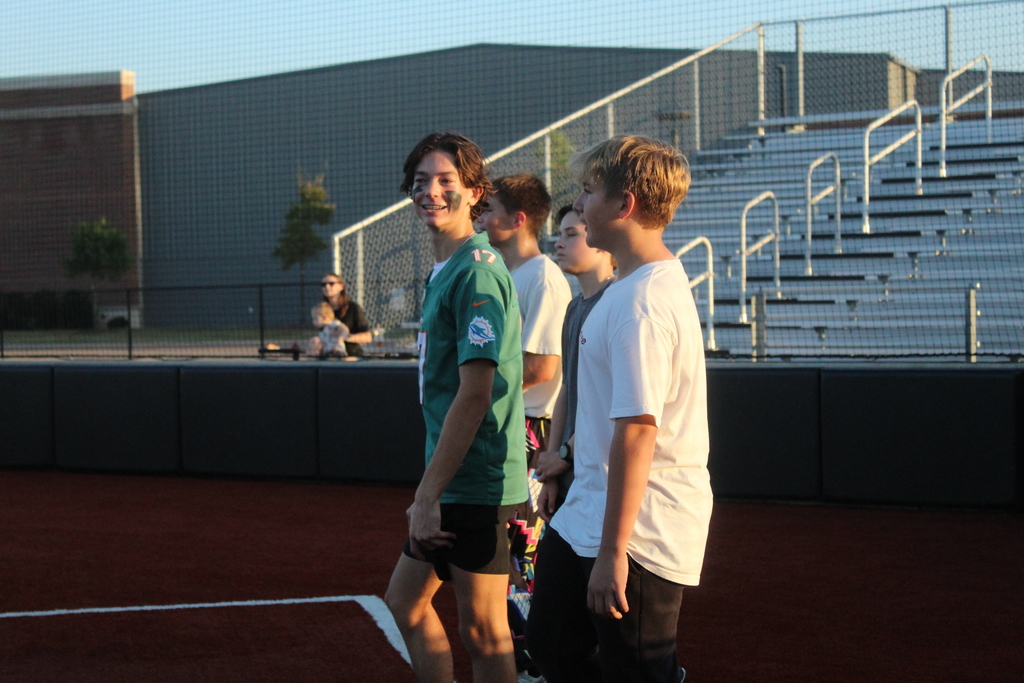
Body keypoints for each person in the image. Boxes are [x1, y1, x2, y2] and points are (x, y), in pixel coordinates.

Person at [525, 136, 713, 683]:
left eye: (587, 192)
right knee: (552, 642)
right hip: (592, 510)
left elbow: (636, 433)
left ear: (624, 205)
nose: (578, 205)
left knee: (637, 668)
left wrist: (613, 554)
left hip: (639, 528)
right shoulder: (626, 290)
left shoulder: (643, 304)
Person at [384, 131, 526, 683]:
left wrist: (428, 494)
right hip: (453, 481)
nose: (431, 192)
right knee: (406, 603)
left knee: (485, 633)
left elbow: (475, 392)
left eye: (446, 181)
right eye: (421, 183)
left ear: (474, 190)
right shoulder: (446, 269)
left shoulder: (477, 270)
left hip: (475, 481)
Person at [478, 174, 571, 464]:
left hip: (529, 426)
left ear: (518, 220)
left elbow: (542, 367)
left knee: (518, 511)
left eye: (488, 209)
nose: (479, 217)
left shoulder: (543, 278)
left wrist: (473, 396)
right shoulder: (506, 274)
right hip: (508, 416)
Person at [533, 206, 616, 514]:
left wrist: (563, 455)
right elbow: (567, 390)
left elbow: (611, 402)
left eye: (571, 235)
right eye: (560, 234)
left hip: (601, 476)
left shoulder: (615, 302)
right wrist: (552, 467)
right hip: (571, 472)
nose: (558, 243)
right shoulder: (573, 307)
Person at [319, 273, 372, 356]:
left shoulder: (353, 308)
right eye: (323, 284)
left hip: (351, 354)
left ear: (341, 287)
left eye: (331, 284)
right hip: (328, 354)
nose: (327, 287)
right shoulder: (321, 309)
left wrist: (344, 337)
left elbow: (367, 337)